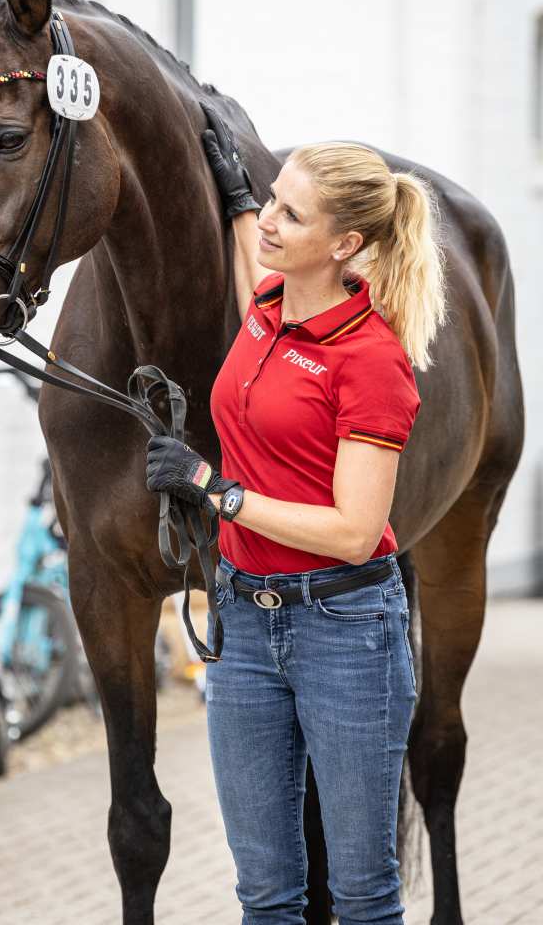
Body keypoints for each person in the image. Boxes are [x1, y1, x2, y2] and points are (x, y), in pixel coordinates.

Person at [145, 105, 447, 925]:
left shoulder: (371, 360)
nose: (272, 223)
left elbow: (356, 529)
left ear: (345, 246)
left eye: (292, 212)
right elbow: (250, 262)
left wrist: (218, 490)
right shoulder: (269, 304)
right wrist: (239, 193)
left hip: (346, 629)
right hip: (244, 629)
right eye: (274, 202)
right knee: (265, 893)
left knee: (361, 893)